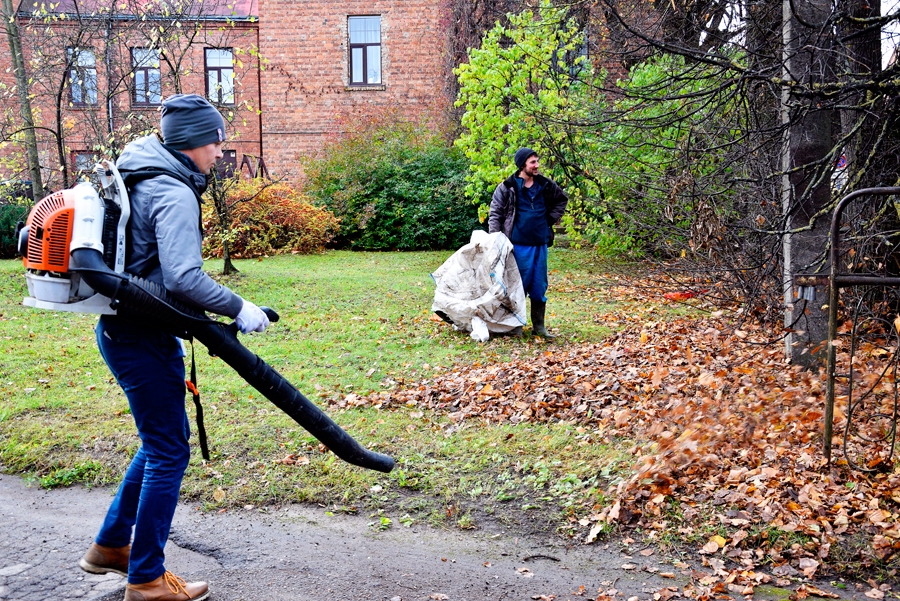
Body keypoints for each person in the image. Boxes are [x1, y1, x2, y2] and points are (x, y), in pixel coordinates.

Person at [78, 94, 270, 601]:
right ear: (194, 143)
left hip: (122, 329)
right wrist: (238, 307)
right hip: (140, 335)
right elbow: (184, 277)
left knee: (160, 440)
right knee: (168, 450)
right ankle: (146, 580)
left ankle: (111, 546)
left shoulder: (142, 172)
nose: (220, 151)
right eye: (216, 141)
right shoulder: (173, 190)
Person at [488, 147, 568, 338]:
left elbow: (562, 200)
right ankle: (515, 326)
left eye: (537, 161)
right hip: (518, 246)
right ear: (522, 164)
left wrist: (549, 219)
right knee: (518, 286)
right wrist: (494, 239)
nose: (537, 165)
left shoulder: (545, 185)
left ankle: (539, 327)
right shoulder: (507, 187)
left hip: (540, 244)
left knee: (539, 286)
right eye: (533, 162)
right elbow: (495, 213)